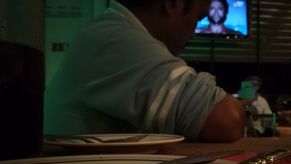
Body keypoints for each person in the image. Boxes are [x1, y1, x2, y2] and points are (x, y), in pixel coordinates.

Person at [44, 0, 246, 142]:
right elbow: (227, 119)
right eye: (198, 16)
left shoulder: (109, 29)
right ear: (173, 3)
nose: (194, 31)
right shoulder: (116, 38)